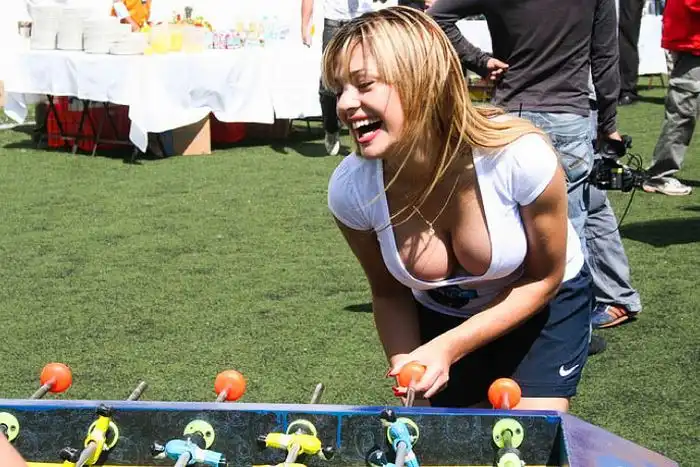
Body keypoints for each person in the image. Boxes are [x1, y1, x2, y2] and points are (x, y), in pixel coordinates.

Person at [324, 7, 592, 410]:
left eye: (364, 85)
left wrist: (448, 348)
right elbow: (389, 292)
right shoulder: (351, 189)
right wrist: (407, 367)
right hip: (441, 316)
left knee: (526, 434)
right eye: (339, 89)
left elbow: (544, 278)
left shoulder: (520, 158)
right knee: (436, 435)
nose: (345, 104)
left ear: (421, 80)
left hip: (541, 305)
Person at [301, 0, 392, 156]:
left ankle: (369, 136)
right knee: (328, 84)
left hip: (365, 20)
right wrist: (305, 25)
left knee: (368, 80)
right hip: (334, 23)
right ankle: (331, 128)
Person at [642, 0, 699, 196]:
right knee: (683, 110)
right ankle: (659, 174)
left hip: (690, 37)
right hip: (691, 40)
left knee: (684, 108)